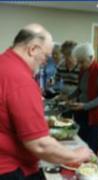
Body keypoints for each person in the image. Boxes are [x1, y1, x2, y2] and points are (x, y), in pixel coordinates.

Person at [0, 24, 92, 180]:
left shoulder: (4, 62)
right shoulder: (21, 80)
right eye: (46, 56)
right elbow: (40, 144)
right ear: (33, 49)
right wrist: (75, 155)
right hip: (11, 169)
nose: (46, 62)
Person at [70, 43, 98, 154]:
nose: (79, 65)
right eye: (78, 62)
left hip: (93, 115)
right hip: (81, 112)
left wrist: (85, 106)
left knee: (91, 148)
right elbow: (80, 89)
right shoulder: (83, 70)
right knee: (79, 144)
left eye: (82, 62)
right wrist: (69, 97)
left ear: (91, 58)